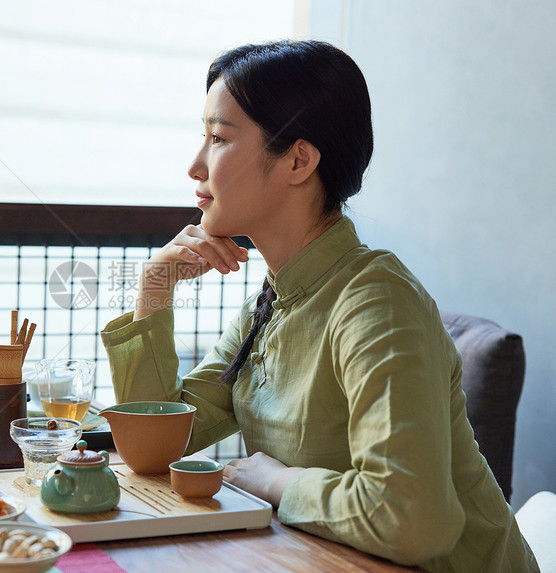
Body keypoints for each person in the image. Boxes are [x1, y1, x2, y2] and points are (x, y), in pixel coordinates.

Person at [100, 40, 538, 572]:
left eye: (218, 138)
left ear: (298, 160)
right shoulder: (273, 300)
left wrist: (279, 482)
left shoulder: (376, 299)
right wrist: (154, 289)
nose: (195, 166)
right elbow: (152, 451)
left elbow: (412, 520)